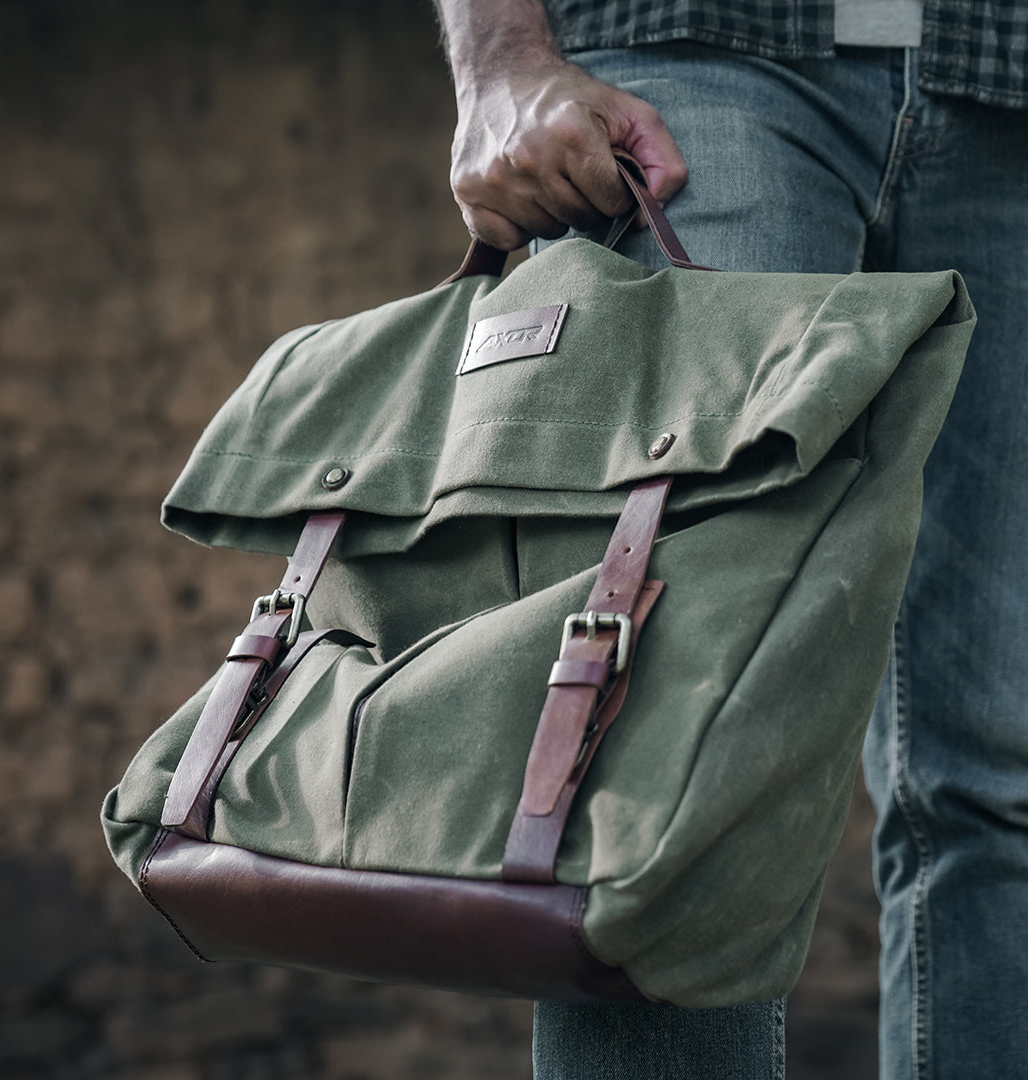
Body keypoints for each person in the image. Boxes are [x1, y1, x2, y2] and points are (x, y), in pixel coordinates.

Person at [432, 2, 1028, 1078]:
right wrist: (500, 59)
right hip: (696, 55)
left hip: (1006, 74)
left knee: (1004, 776)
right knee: (653, 743)